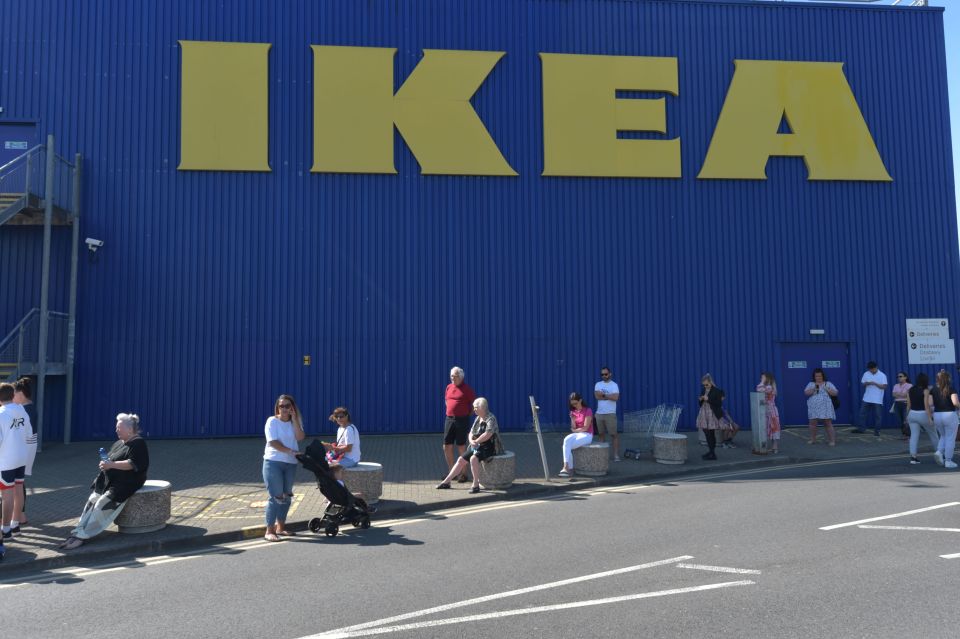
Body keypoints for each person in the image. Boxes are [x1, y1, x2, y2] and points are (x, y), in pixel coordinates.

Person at [59, 413, 148, 550]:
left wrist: (111, 465)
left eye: (119, 427)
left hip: (126, 483)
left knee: (102, 503)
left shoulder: (138, 444)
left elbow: (132, 464)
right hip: (109, 480)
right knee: (92, 500)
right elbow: (111, 460)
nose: (116, 430)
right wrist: (105, 464)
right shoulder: (119, 443)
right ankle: (78, 531)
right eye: (116, 427)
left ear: (130, 429)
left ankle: (83, 536)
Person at [261, 394, 305, 542]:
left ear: (292, 407)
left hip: (290, 464)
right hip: (273, 462)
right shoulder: (272, 421)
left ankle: (281, 527)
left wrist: (294, 421)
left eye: (288, 406)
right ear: (277, 407)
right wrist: (291, 451)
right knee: (276, 496)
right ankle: (269, 530)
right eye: (282, 406)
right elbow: (273, 443)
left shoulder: (295, 421)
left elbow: (300, 438)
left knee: (286, 496)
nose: (285, 409)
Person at [436, 397, 499, 494]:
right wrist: (471, 440)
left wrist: (476, 441)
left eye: (475, 408)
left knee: (473, 458)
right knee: (461, 460)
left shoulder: (491, 418)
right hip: (477, 446)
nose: (474, 410)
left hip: (489, 447)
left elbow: (488, 434)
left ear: (482, 407)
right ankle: (446, 482)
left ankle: (475, 484)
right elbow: (471, 432)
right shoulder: (478, 418)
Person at [0, 383, 31, 544]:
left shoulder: (1, 414)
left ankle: (5, 530)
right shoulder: (21, 410)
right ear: (12, 395)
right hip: (21, 457)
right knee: (19, 489)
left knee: (7, 495)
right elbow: (28, 434)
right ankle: (15, 525)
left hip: (5, 460)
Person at [443, 366, 476, 483]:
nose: (453, 378)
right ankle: (452, 472)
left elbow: (474, 406)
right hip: (449, 419)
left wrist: (466, 414)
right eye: (451, 376)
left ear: (461, 377)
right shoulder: (448, 387)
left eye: (455, 376)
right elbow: (447, 401)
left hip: (462, 420)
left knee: (461, 446)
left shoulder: (467, 390)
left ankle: (463, 474)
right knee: (447, 446)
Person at [12, 377, 37, 528]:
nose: (12, 397)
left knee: (17, 482)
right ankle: (20, 515)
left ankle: (19, 515)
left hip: (24, 447)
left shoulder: (24, 410)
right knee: (19, 482)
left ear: (20, 393)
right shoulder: (28, 408)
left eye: (13, 393)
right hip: (26, 447)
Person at [929, 370, 959, 469]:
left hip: (937, 415)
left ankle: (939, 452)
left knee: (943, 435)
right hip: (950, 414)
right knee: (950, 438)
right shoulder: (951, 389)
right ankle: (948, 461)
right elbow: (955, 403)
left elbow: (930, 404)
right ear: (948, 379)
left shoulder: (932, 390)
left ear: (937, 379)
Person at [906, 372, 938, 465]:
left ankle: (913, 457)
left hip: (912, 414)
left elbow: (908, 405)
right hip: (922, 414)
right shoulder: (926, 390)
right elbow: (926, 406)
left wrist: (906, 417)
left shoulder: (910, 389)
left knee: (914, 436)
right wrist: (930, 418)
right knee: (933, 434)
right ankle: (940, 453)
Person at [559, 392, 593, 477]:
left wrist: (575, 430)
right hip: (578, 433)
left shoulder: (588, 410)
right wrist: (572, 419)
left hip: (587, 434)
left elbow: (585, 428)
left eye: (576, 403)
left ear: (580, 400)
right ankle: (567, 468)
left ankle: (568, 469)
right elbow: (573, 427)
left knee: (566, 446)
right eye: (572, 404)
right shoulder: (573, 411)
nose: (574, 405)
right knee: (566, 440)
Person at [323, 406, 361, 481]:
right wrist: (331, 446)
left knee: (328, 466)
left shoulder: (349, 429)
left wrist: (332, 448)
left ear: (346, 416)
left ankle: (338, 486)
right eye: (337, 417)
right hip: (343, 457)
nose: (339, 419)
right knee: (322, 461)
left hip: (351, 460)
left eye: (341, 416)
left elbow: (349, 448)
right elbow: (341, 445)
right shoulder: (340, 428)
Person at [594, 367, 621, 462]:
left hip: (610, 413)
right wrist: (609, 396)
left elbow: (616, 397)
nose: (604, 376)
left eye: (606, 374)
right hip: (599, 413)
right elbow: (597, 396)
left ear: (610, 374)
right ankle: (602, 456)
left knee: (614, 435)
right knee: (601, 434)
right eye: (602, 374)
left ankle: (616, 455)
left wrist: (604, 395)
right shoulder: (598, 384)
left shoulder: (614, 385)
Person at [804, 368, 838, 446]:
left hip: (825, 406)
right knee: (812, 423)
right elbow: (806, 393)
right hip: (814, 407)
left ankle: (832, 441)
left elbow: (835, 393)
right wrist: (813, 389)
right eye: (816, 376)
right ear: (814, 377)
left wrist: (828, 389)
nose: (818, 378)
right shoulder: (811, 384)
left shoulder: (828, 383)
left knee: (827, 423)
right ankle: (813, 439)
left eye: (820, 376)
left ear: (823, 376)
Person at [852, 361, 887, 436]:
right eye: (870, 369)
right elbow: (863, 384)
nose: (871, 371)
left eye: (872, 369)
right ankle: (861, 429)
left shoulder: (882, 375)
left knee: (878, 416)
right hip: (867, 398)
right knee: (862, 414)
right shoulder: (866, 373)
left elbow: (884, 387)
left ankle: (877, 431)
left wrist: (875, 383)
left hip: (877, 399)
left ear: (876, 367)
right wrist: (867, 383)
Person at [696, 374, 724, 460]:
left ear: (711, 382)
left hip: (712, 413)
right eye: (704, 385)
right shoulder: (703, 390)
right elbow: (700, 403)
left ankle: (712, 453)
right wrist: (700, 399)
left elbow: (719, 404)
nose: (705, 386)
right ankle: (711, 452)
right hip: (704, 413)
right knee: (706, 432)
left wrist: (708, 399)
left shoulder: (717, 391)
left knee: (710, 433)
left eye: (706, 384)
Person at [756, 372, 781, 454]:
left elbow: (759, 389)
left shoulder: (769, 387)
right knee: (769, 427)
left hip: (771, 410)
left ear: (767, 378)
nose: (761, 379)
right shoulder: (768, 387)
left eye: (763, 378)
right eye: (761, 378)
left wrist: (762, 382)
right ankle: (773, 447)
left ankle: (775, 447)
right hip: (767, 410)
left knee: (773, 427)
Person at [891, 372, 912, 440]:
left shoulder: (909, 385)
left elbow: (907, 394)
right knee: (900, 420)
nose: (899, 378)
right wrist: (902, 394)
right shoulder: (896, 385)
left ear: (905, 377)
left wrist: (899, 394)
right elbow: (893, 395)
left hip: (905, 403)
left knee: (906, 420)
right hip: (897, 404)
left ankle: (908, 435)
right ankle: (904, 434)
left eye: (900, 376)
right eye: (898, 377)